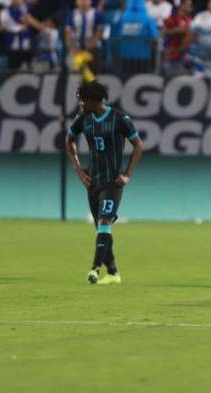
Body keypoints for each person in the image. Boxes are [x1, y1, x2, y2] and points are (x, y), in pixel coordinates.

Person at [64, 81, 144, 285]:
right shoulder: (84, 119)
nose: (80, 104)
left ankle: (94, 269)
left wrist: (127, 175)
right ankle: (113, 273)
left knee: (104, 223)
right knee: (101, 229)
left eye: (83, 100)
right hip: (92, 182)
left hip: (112, 182)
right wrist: (78, 169)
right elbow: (69, 140)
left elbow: (138, 146)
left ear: (93, 100)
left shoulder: (120, 119)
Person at [65, 0, 106, 72]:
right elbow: (68, 33)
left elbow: (100, 31)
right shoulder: (72, 14)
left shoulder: (97, 14)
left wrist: (91, 45)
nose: (83, 2)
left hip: (93, 48)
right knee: (74, 69)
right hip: (76, 47)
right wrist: (72, 48)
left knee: (93, 72)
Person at [161, 0, 194, 75]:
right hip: (171, 57)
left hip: (184, 57)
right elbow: (162, 33)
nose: (191, 8)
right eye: (189, 5)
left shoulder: (190, 20)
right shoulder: (172, 18)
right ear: (181, 6)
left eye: (191, 6)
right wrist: (176, 30)